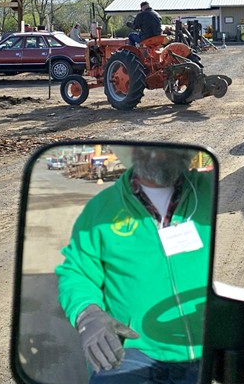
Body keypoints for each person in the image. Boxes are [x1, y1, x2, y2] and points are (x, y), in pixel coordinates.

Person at [56, 145, 213, 384]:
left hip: (208, 344)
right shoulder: (101, 209)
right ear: (131, 153)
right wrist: (88, 315)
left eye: (170, 147)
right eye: (148, 147)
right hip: (134, 349)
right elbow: (77, 271)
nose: (160, 153)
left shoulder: (212, 191)